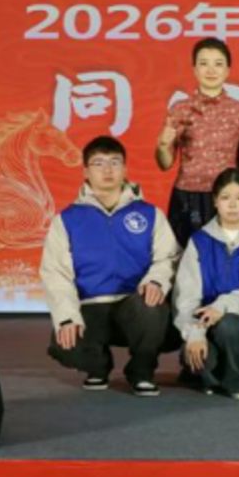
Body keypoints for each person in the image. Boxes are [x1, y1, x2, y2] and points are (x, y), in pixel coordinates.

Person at [40, 135, 180, 396]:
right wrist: (67, 316)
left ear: (125, 169)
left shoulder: (149, 214)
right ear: (85, 171)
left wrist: (156, 281)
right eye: (99, 163)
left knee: (152, 307)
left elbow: (168, 257)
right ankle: (98, 367)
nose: (107, 170)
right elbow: (56, 274)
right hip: (91, 306)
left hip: (134, 305)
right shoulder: (67, 220)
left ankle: (141, 371)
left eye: (114, 162)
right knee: (65, 341)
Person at [172, 168, 239, 400]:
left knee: (230, 325)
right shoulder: (199, 242)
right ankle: (206, 371)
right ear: (215, 201)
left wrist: (223, 306)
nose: (232, 205)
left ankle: (237, 379)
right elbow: (186, 296)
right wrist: (194, 332)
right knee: (199, 357)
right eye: (225, 197)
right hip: (204, 325)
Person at [156, 37, 239, 248]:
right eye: (204, 63)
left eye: (218, 64)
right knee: (184, 254)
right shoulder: (181, 108)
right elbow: (165, 163)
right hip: (187, 195)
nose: (211, 70)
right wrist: (163, 146)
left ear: (227, 70)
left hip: (226, 196)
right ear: (194, 69)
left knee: (226, 253)